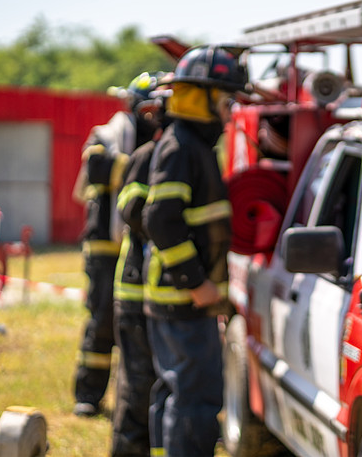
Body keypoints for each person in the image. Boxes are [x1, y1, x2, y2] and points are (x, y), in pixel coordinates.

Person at [142, 44, 246, 456]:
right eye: (225, 99)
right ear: (201, 97)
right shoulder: (182, 146)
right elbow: (161, 221)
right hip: (183, 299)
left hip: (177, 299)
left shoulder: (187, 143)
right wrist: (197, 283)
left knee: (174, 393)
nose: (229, 111)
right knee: (197, 398)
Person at [72, 71, 165, 417]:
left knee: (138, 322)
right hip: (105, 244)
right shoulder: (109, 134)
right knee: (101, 319)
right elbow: (95, 167)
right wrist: (145, 168)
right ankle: (89, 394)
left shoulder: (161, 140)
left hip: (140, 241)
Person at [111, 72, 170, 456]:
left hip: (160, 295)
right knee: (136, 386)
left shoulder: (174, 153)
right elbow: (130, 209)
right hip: (134, 292)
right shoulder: (147, 157)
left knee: (155, 386)